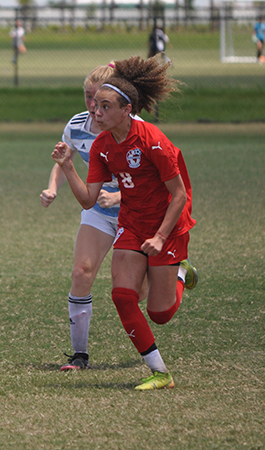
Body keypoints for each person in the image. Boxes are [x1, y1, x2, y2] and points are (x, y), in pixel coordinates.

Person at [51, 55, 198, 390]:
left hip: (167, 227)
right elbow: (88, 199)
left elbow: (179, 196)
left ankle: (178, 270)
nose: (96, 112)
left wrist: (161, 237)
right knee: (122, 295)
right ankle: (160, 372)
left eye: (104, 106)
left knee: (160, 313)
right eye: (94, 105)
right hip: (131, 224)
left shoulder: (154, 141)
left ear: (126, 109)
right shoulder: (102, 145)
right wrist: (68, 167)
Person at [42, 63, 148, 371]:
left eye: (99, 99)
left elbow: (152, 180)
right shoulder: (77, 125)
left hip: (136, 212)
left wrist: (119, 196)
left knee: (138, 294)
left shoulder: (136, 127)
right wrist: (52, 189)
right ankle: (80, 356)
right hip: (99, 212)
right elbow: (64, 158)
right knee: (81, 272)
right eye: (88, 97)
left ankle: (176, 268)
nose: (91, 106)